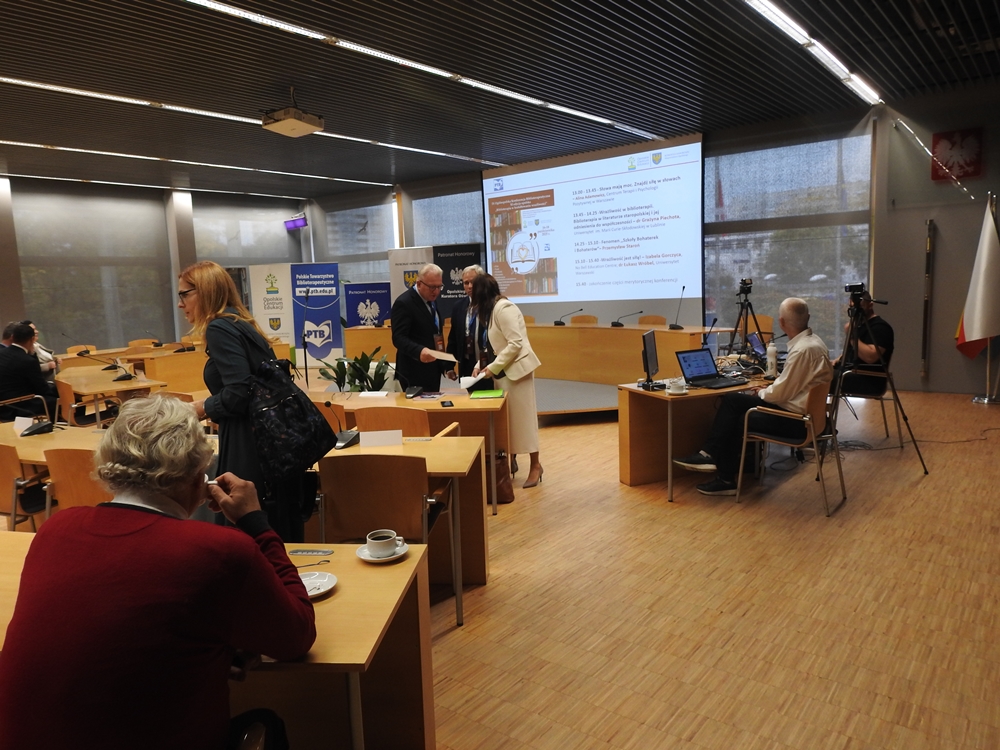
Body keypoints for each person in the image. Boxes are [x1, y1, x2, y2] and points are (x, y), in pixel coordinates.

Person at [0, 396, 315, 750]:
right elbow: (297, 635)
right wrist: (256, 523)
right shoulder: (218, 551)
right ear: (197, 478)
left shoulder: (55, 530)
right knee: (266, 723)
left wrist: (209, 653)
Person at [178, 260, 303, 542]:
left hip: (247, 441)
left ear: (205, 291)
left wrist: (199, 408)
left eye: (184, 294)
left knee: (245, 528)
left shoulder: (219, 328)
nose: (180, 303)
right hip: (266, 439)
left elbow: (240, 393)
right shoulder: (241, 323)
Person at [675, 298, 832, 496]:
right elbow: (792, 386)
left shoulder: (802, 350)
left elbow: (780, 394)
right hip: (809, 418)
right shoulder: (815, 342)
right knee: (735, 402)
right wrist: (768, 389)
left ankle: (721, 471)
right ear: (808, 317)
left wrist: (762, 391)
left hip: (796, 422)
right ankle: (718, 459)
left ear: (781, 322)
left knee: (736, 410)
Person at [470, 274, 544, 488]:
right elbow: (495, 346)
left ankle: (535, 465)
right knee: (507, 422)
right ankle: (509, 462)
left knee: (524, 421)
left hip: (518, 373)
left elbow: (515, 343)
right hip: (504, 372)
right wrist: (479, 365)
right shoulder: (492, 311)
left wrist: (492, 368)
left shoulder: (504, 309)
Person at [390, 263, 451, 392]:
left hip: (432, 369)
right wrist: (419, 351)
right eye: (432, 287)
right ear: (419, 284)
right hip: (413, 371)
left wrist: (444, 364)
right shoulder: (404, 303)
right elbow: (398, 338)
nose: (436, 291)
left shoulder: (431, 300)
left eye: (439, 286)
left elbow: (434, 331)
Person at [831, 291, 894, 396]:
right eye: (852, 308)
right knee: (816, 372)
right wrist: (839, 359)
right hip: (850, 373)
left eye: (859, 307)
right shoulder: (858, 326)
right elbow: (854, 351)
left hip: (869, 380)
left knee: (819, 378)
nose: (855, 311)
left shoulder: (881, 328)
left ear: (870, 305)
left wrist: (852, 336)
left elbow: (870, 357)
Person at [446, 264, 493, 392]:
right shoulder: (458, 306)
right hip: (466, 364)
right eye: (466, 283)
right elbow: (453, 338)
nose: (470, 286)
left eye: (473, 282)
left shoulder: (491, 305)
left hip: (488, 363)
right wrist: (449, 366)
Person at [0, 322, 58, 421]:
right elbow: (42, 389)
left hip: (3, 406)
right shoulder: (27, 360)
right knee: (57, 399)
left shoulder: (2, 353)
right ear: (32, 339)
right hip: (19, 406)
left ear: (12, 337)